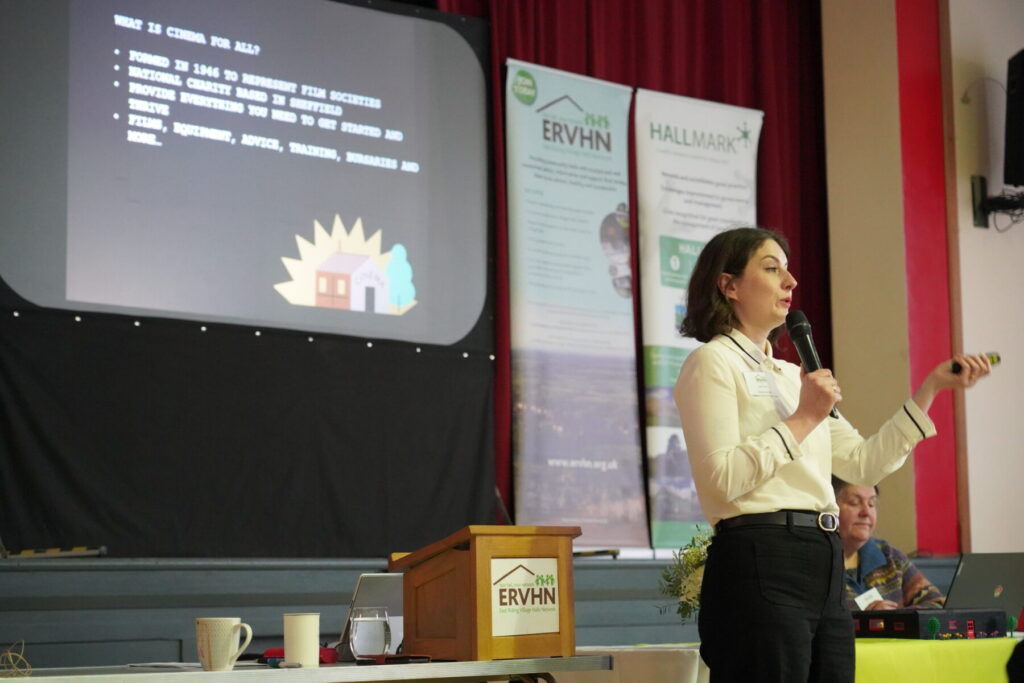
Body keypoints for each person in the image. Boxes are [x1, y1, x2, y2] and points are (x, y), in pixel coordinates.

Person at [673, 226, 990, 683]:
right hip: (762, 554)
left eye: (788, 268)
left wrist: (932, 388)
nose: (791, 281)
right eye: (771, 268)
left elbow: (863, 463)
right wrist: (804, 417)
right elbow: (721, 479)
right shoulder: (712, 362)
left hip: (824, 558)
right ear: (729, 285)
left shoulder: (791, 373)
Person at [832, 476, 945, 610]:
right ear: (830, 509)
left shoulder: (889, 556)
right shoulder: (816, 566)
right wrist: (867, 622)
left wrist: (893, 619)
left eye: (871, 504)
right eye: (854, 502)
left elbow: (938, 603)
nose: (866, 512)